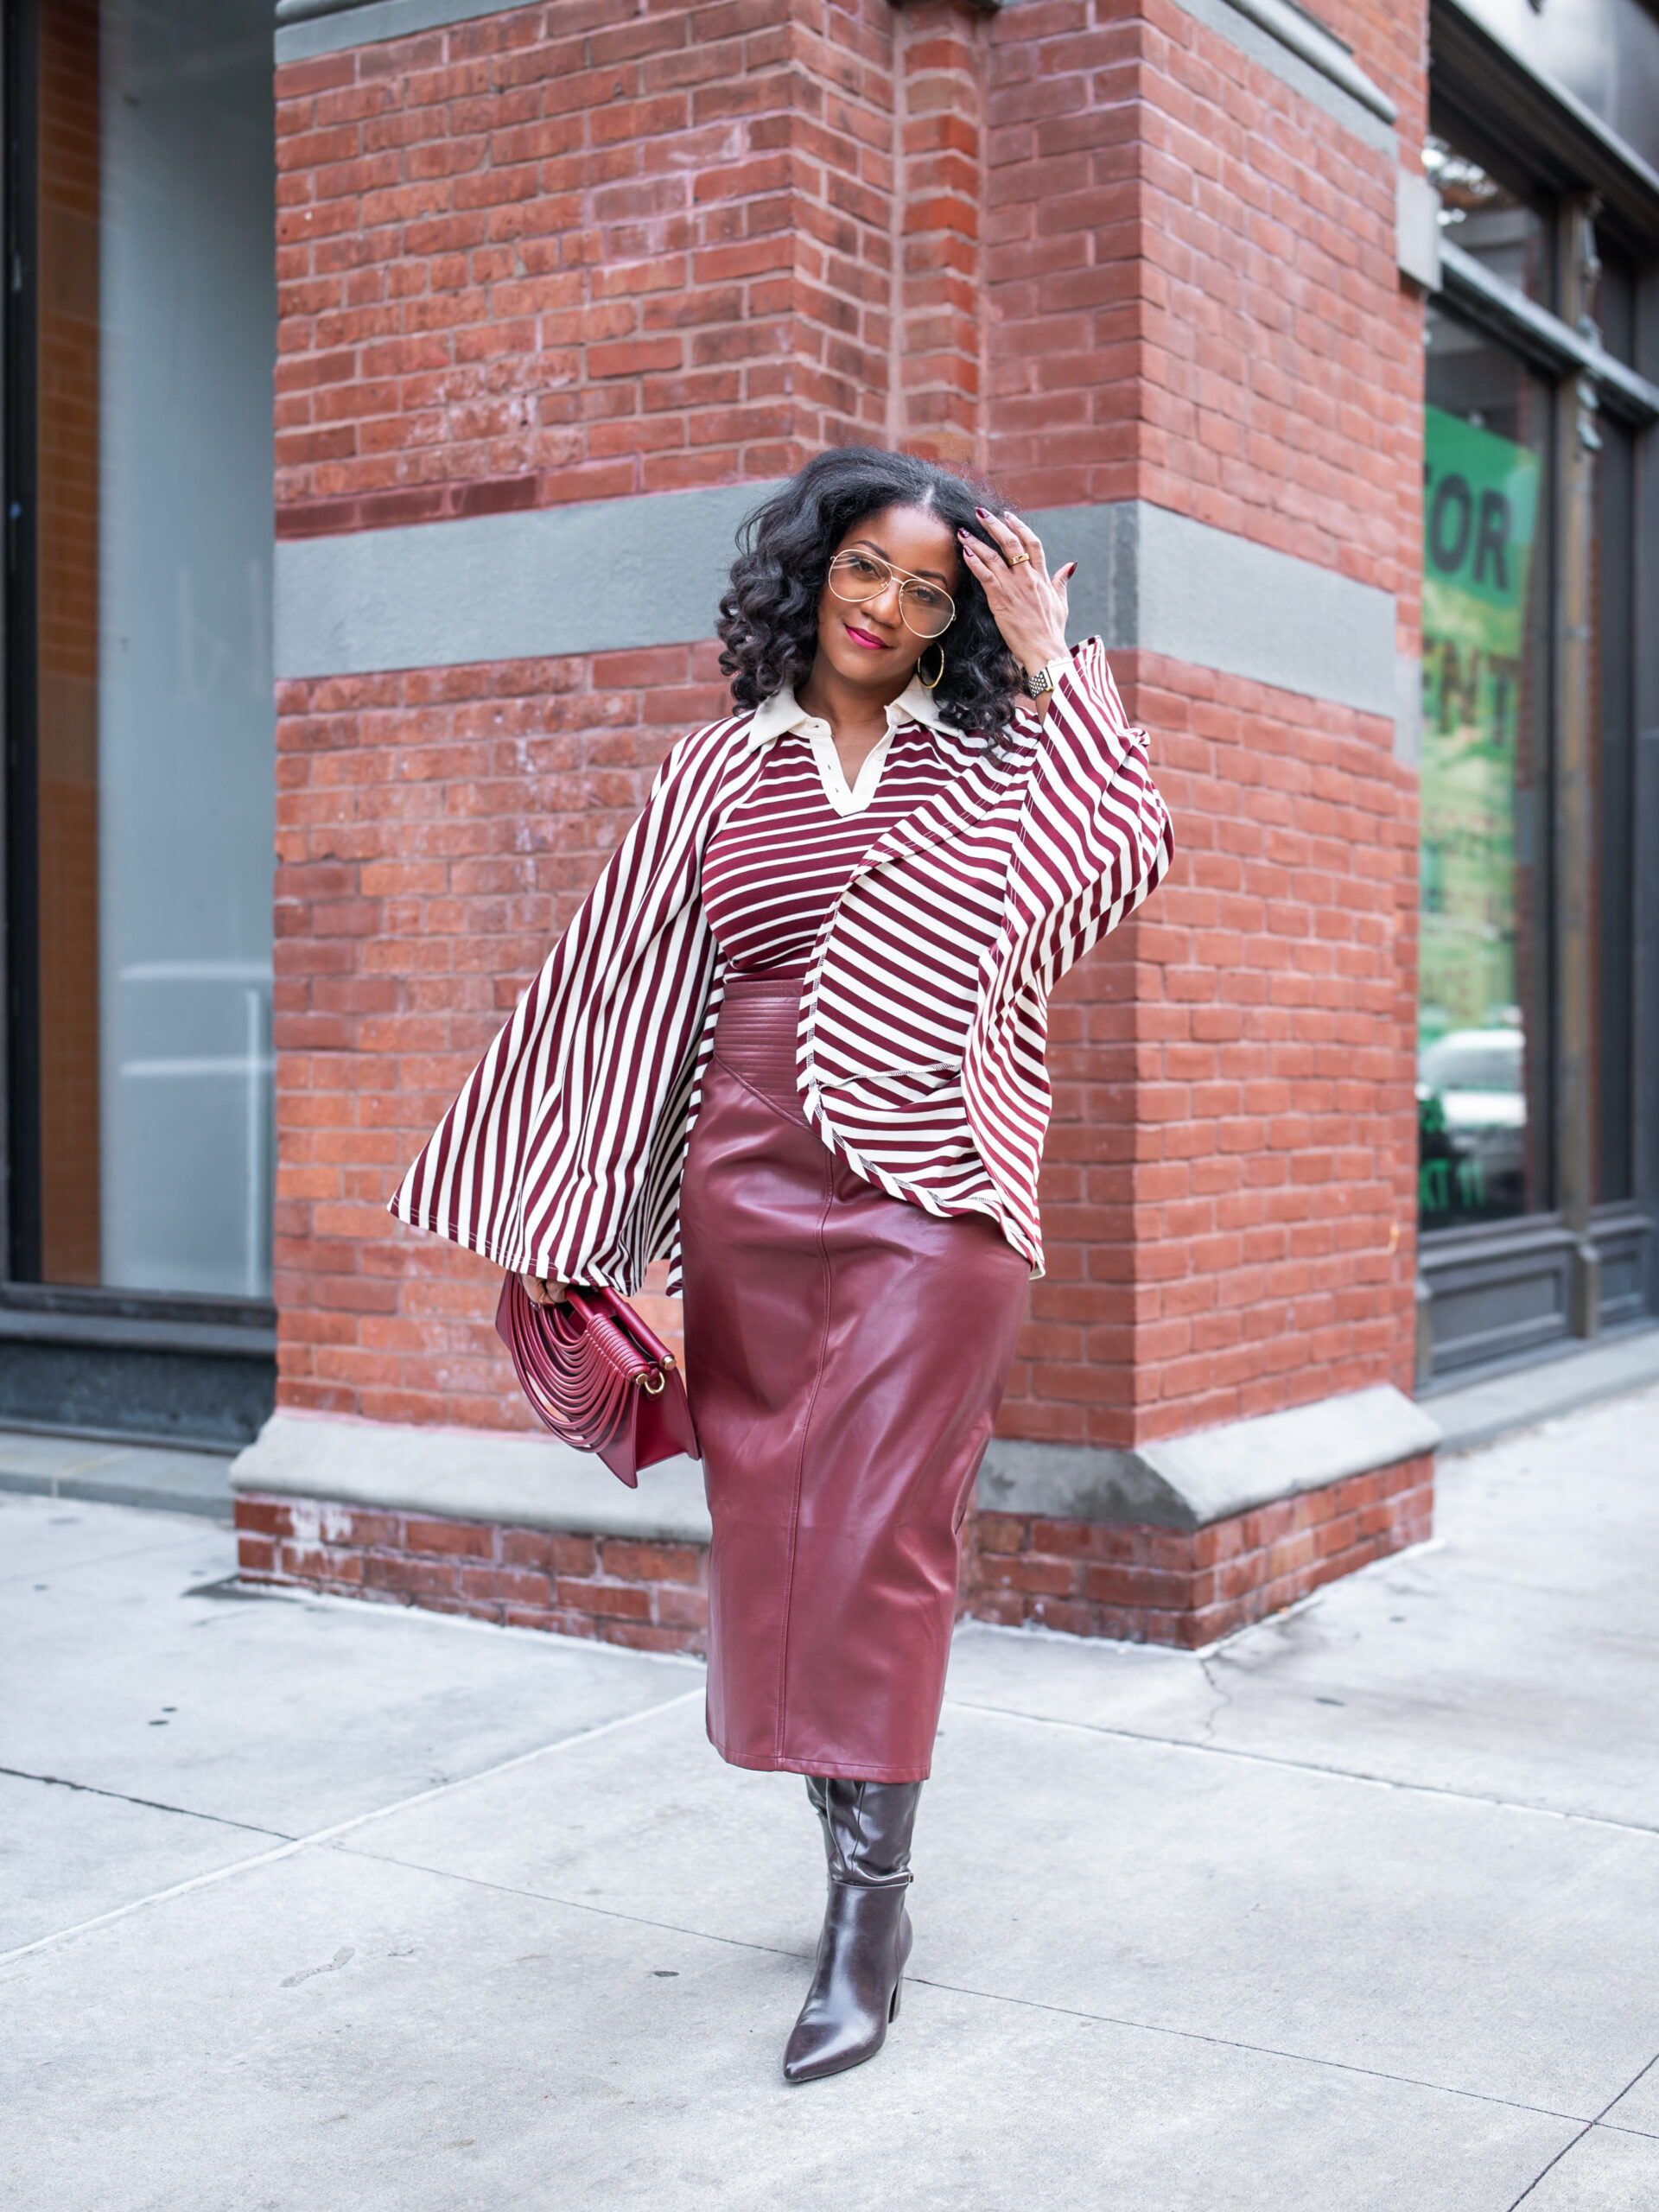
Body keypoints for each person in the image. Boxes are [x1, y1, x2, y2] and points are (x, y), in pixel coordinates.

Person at [389, 446, 1173, 2082]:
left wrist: (1049, 667)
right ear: (811, 571)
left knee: (885, 1533)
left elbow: (1125, 855)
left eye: (929, 592)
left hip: (939, 1193)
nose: (888, 609)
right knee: (777, 1529)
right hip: (749, 1184)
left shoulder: (997, 756)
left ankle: (866, 1918)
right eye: (866, 571)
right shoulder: (716, 771)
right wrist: (576, 1225)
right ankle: (842, 1837)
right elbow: (620, 994)